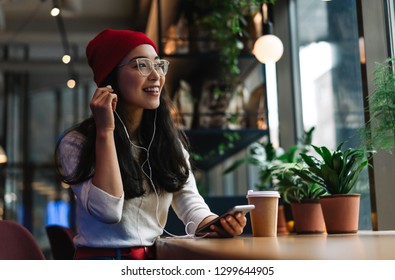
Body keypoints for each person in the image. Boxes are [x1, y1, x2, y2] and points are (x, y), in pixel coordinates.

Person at [55, 29, 247, 260]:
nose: (156, 75)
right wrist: (105, 131)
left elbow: (192, 206)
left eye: (158, 65)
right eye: (141, 66)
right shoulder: (77, 143)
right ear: (110, 78)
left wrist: (217, 224)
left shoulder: (167, 142)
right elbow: (108, 211)